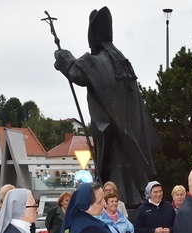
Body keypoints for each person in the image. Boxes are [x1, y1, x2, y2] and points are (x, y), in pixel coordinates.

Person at [54, 6, 160, 206]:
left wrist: (63, 57)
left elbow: (78, 73)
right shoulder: (122, 62)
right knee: (125, 170)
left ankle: (124, 200)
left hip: (113, 131)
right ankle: (132, 197)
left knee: (116, 171)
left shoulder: (99, 62)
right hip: (130, 134)